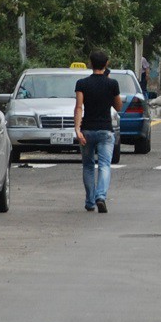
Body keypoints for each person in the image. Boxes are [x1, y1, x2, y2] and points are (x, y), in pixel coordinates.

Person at [71, 50, 123, 214]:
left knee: (87, 166)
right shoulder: (112, 84)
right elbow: (119, 107)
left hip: (87, 130)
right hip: (105, 131)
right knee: (104, 165)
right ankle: (100, 196)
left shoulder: (82, 83)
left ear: (90, 63)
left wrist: (77, 129)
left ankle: (89, 201)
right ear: (106, 64)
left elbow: (79, 107)